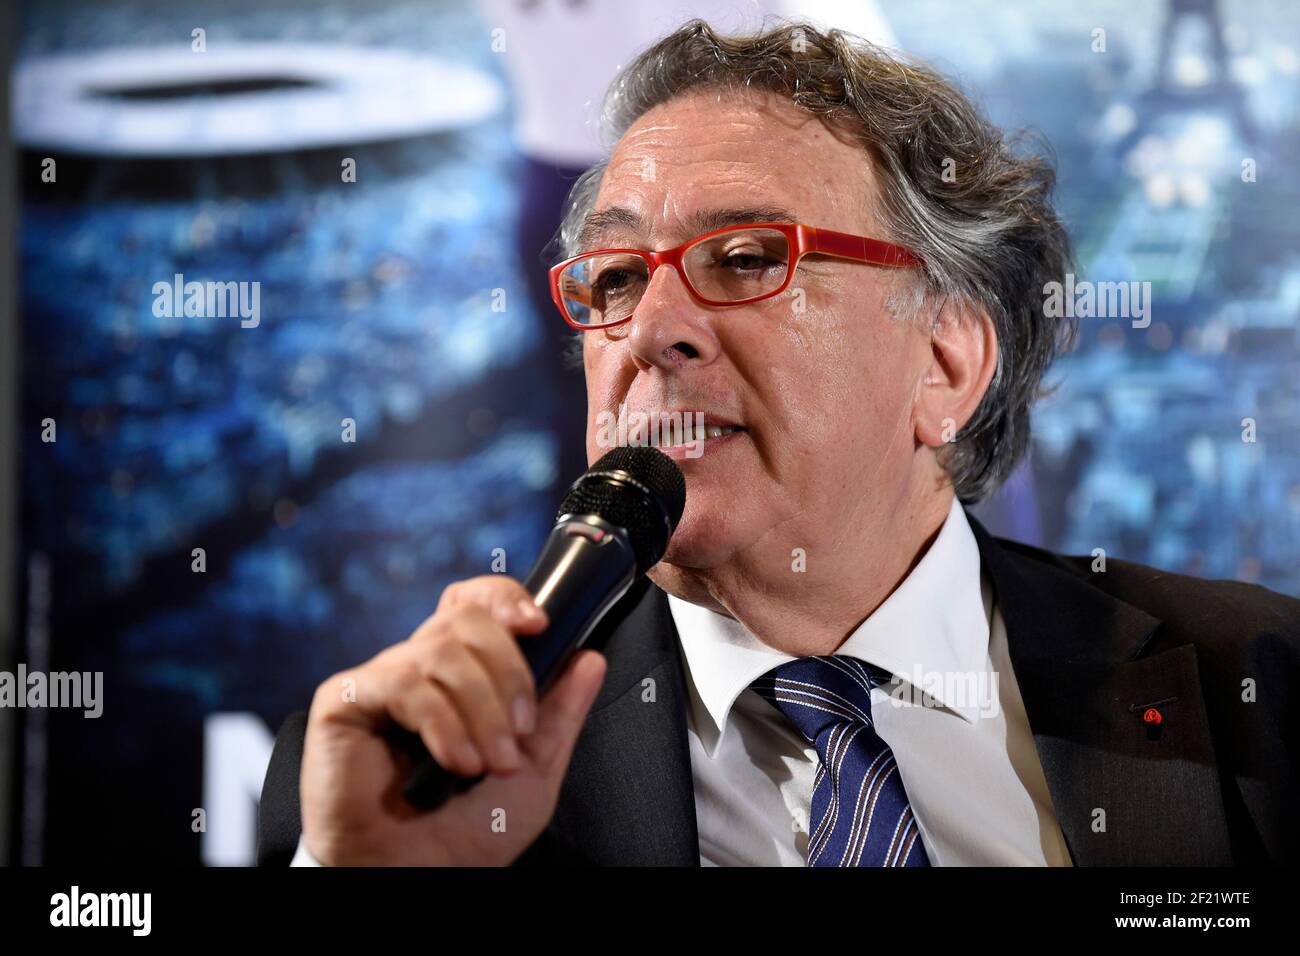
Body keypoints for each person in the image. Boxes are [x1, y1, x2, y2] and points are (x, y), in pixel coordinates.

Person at [258, 19, 1299, 867]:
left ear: (944, 364)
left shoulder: (1261, 685)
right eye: (613, 278)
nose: (650, 327)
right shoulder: (413, 774)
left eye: (747, 257)